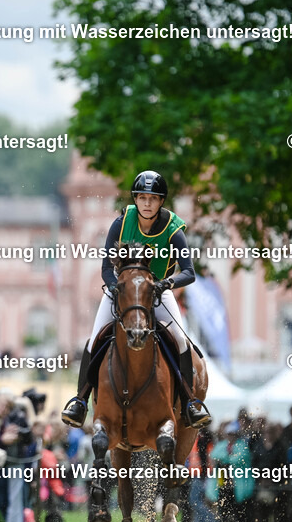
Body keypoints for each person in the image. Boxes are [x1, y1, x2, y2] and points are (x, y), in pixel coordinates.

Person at [62, 170, 209, 430]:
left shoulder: (174, 230)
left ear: (161, 201)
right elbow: (107, 268)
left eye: (153, 199)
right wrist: (115, 288)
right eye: (142, 198)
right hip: (121, 292)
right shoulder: (121, 223)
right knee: (95, 337)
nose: (147, 203)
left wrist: (165, 284)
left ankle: (189, 402)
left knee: (180, 339)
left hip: (158, 292)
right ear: (136, 199)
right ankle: (80, 400)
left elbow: (189, 272)